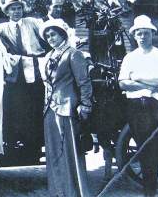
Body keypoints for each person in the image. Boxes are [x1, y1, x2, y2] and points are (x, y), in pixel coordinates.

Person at [0, 0, 47, 155]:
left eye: (19, 8)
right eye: (13, 9)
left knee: (35, 105)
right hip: (15, 72)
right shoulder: (3, 27)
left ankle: (35, 143)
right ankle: (16, 142)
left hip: (35, 69)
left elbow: (46, 30)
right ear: (7, 12)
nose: (17, 12)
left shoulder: (32, 22)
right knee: (16, 105)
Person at [118, 15, 158, 197]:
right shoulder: (130, 57)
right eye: (138, 34)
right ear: (135, 36)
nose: (142, 37)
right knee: (146, 153)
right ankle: (149, 193)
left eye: (145, 33)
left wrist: (136, 78)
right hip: (138, 108)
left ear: (152, 33)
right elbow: (122, 83)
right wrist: (147, 85)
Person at [40, 18, 92, 197]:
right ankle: (58, 193)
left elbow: (84, 82)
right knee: (54, 154)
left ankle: (76, 193)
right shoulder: (48, 56)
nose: (50, 38)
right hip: (50, 110)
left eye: (53, 34)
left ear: (62, 34)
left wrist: (85, 105)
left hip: (67, 108)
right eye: (47, 36)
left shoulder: (74, 54)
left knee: (70, 154)